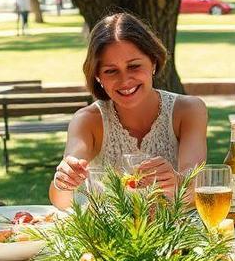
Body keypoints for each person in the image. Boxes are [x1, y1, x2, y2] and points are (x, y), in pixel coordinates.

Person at [49, 12, 208, 208]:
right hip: (108, 229)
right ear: (98, 76)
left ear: (153, 62)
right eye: (111, 71)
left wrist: (177, 182)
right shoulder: (87, 120)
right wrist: (64, 180)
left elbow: (197, 189)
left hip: (177, 228)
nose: (125, 80)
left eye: (134, 66)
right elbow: (61, 201)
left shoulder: (189, 110)